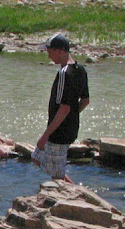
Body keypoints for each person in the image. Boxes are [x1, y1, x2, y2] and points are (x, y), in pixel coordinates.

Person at [33, 33, 90, 183]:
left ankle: (79, 196)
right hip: (70, 128)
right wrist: (73, 116)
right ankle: (78, 193)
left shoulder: (64, 74)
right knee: (37, 157)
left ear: (60, 51)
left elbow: (64, 108)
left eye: (50, 52)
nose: (49, 57)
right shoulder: (80, 70)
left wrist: (45, 135)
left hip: (59, 132)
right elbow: (85, 101)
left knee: (56, 175)